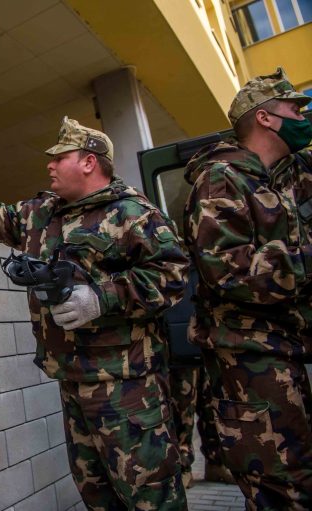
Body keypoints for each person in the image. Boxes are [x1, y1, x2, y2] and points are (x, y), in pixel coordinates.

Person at [0, 117, 190, 510]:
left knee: (150, 494)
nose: (49, 165)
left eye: (60, 158)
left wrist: (101, 298)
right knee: (97, 492)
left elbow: (173, 274)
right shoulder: (45, 213)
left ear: (89, 162)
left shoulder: (131, 214)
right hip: (72, 378)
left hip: (127, 384)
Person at [183, 67, 312, 509]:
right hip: (252, 359)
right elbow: (229, 272)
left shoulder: (289, 174)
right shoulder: (222, 180)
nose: (302, 114)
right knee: (283, 487)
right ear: (265, 118)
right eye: (294, 107)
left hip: (291, 347)